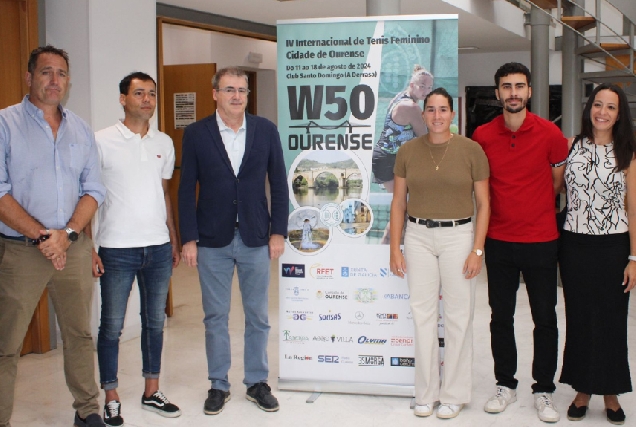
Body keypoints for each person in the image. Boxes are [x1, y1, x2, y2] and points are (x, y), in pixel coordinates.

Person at [0, 46, 107, 427]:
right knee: (6, 345)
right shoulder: (5, 123)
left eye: (61, 73)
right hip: (20, 251)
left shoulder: (80, 128)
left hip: (73, 249)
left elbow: (94, 189)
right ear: (29, 77)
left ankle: (88, 410)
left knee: (79, 334)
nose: (54, 80)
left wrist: (68, 235)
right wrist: (46, 237)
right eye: (46, 72)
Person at [178, 67, 288, 415]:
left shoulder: (266, 130)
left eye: (242, 90)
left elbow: (280, 184)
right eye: (229, 89)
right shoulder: (196, 134)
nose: (237, 96)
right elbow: (185, 190)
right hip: (212, 240)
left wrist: (277, 231)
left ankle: (256, 381)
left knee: (258, 315)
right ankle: (218, 384)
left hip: (256, 236)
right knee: (215, 316)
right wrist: (189, 238)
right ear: (215, 94)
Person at [471, 62, 568, 423]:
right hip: (498, 240)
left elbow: (557, 183)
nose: (513, 92)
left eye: (520, 86)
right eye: (506, 87)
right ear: (497, 93)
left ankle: (543, 389)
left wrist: (533, 208)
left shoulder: (549, 134)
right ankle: (505, 384)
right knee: (501, 317)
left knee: (545, 318)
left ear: (528, 91)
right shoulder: (482, 135)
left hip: (542, 240)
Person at [389, 87, 490, 419]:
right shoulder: (407, 150)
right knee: (423, 316)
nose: (436, 116)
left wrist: (477, 249)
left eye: (442, 110)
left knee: (459, 317)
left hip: (458, 236)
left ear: (452, 114)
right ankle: (426, 392)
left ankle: (454, 393)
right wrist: (396, 247)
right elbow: (399, 202)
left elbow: (485, 204)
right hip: (417, 236)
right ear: (423, 114)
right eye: (430, 110)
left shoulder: (471, 150)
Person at [89, 72, 181, 426]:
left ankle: (151, 390)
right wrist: (89, 248)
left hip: (157, 247)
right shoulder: (101, 141)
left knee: (154, 323)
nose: (147, 99)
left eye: (152, 94)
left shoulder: (164, 141)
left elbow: (164, 193)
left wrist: (172, 237)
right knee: (111, 325)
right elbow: (88, 196)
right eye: (139, 93)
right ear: (122, 99)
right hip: (115, 248)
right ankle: (110, 395)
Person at [558, 83, 635, 425]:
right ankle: (582, 389)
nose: (602, 112)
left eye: (611, 107)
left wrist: (634, 258)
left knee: (611, 321)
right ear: (589, 107)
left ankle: (611, 392)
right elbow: (554, 189)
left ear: (620, 115)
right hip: (574, 246)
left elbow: (633, 210)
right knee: (580, 320)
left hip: (613, 248)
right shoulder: (572, 145)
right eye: (598, 105)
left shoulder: (628, 153)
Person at [372, 65, 432, 243]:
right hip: (387, 160)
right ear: (412, 84)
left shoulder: (401, 96)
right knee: (402, 209)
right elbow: (424, 137)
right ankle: (386, 248)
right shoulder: (410, 107)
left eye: (429, 87)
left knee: (402, 209)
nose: (426, 91)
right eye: (422, 86)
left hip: (394, 159)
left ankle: (389, 247)